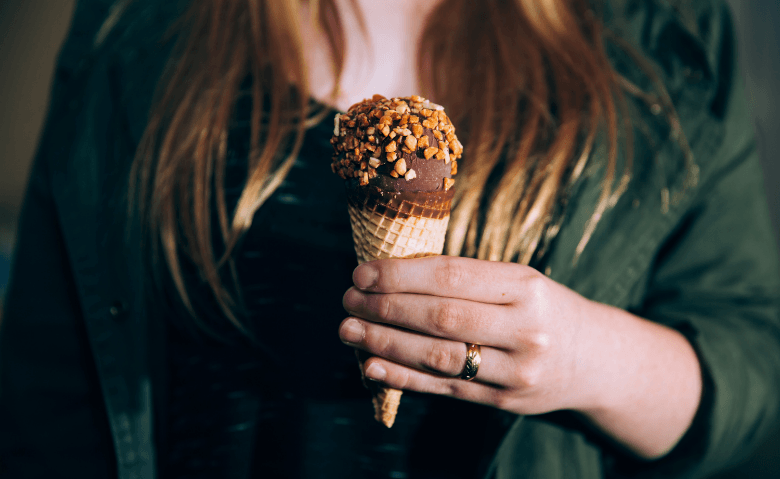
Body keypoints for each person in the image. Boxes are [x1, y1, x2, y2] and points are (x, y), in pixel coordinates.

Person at [1, 0, 778, 477]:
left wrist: (586, 355)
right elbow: (45, 394)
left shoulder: (667, 30)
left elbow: (758, 366)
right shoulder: (139, 19)